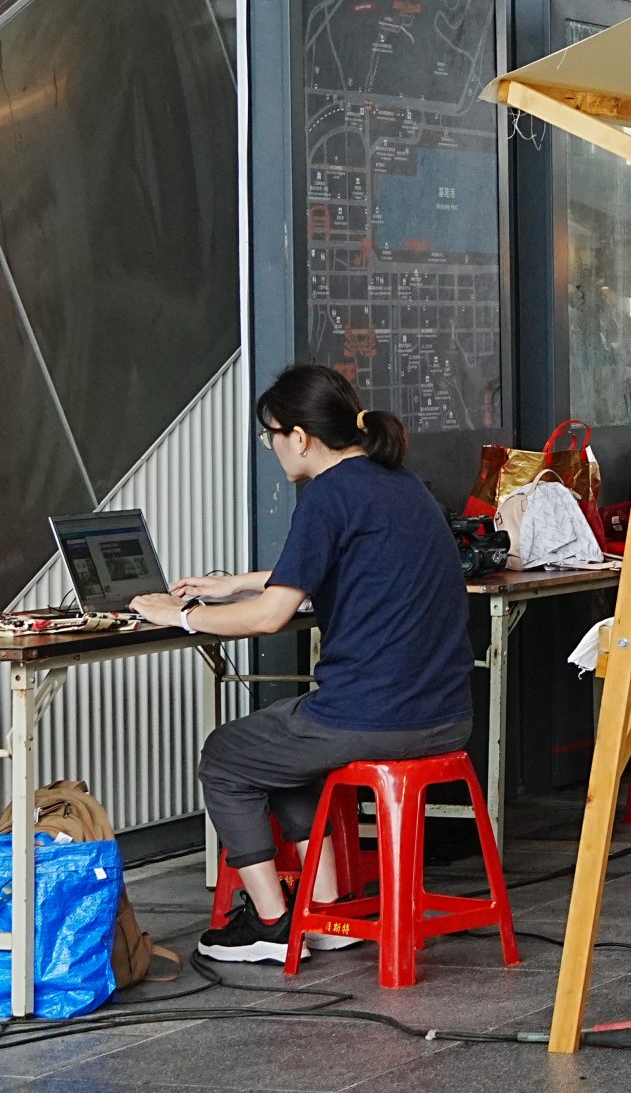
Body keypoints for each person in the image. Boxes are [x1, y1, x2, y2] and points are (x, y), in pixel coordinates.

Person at [130, 366, 472, 963]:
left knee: (228, 754)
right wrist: (233, 584)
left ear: (300, 437)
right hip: (445, 716)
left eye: (271, 435)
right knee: (283, 753)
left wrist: (180, 614)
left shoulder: (328, 495)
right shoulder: (401, 484)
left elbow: (270, 616)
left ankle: (270, 924)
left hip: (370, 714)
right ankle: (326, 910)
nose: (270, 447)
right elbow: (346, 566)